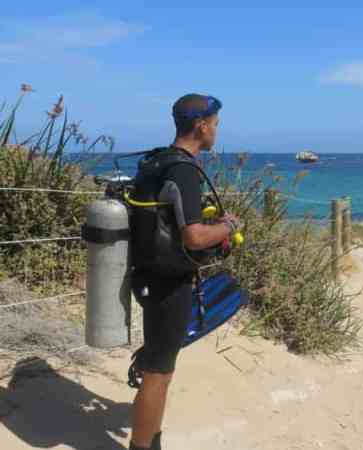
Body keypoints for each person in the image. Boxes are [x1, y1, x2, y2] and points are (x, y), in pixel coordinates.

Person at [128, 94, 240, 450]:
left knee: (159, 365)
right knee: (159, 373)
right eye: (216, 124)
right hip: (168, 284)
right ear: (201, 125)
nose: (217, 132)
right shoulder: (184, 170)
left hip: (147, 275)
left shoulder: (158, 161)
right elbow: (193, 237)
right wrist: (227, 226)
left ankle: (152, 438)